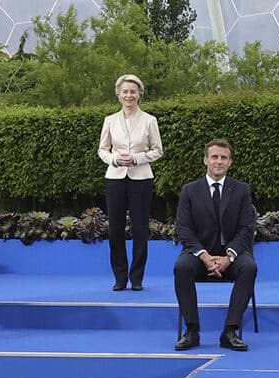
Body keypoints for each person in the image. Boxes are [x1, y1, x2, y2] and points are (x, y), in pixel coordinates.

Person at [173, 139, 257, 352]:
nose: (219, 161)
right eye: (214, 157)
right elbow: (183, 228)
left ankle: (230, 331)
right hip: (199, 254)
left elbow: (247, 227)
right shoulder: (189, 190)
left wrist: (229, 257)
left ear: (230, 162)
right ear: (205, 160)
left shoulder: (242, 190)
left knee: (249, 267)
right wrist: (204, 255)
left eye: (224, 158)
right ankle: (192, 330)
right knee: (181, 267)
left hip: (231, 254)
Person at [97, 74, 164, 291]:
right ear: (118, 95)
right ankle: (119, 277)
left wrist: (137, 158)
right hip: (115, 178)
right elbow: (102, 149)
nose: (129, 95)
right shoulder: (110, 120)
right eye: (125, 91)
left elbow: (158, 150)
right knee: (115, 229)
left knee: (140, 229)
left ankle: (137, 278)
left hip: (141, 178)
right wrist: (115, 159)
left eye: (133, 92)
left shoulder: (149, 120)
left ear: (139, 95)